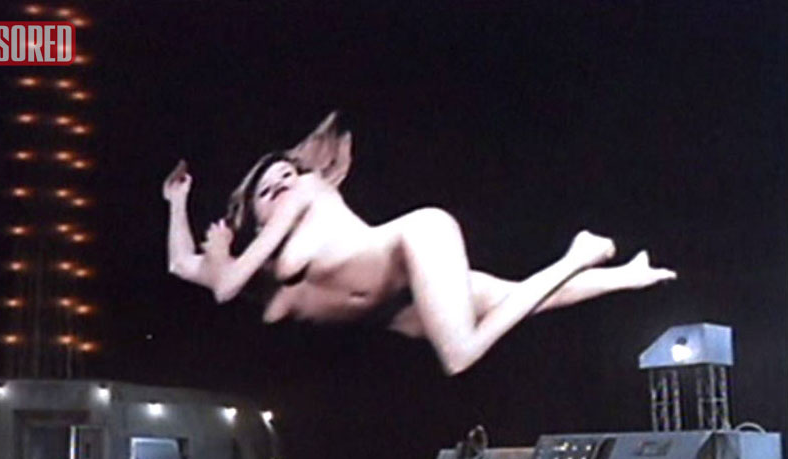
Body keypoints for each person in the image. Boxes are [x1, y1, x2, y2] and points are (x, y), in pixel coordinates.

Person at [162, 113, 676, 375]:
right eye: (267, 190)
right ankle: (627, 274)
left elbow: (224, 286)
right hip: (399, 305)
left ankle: (579, 255)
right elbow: (181, 264)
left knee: (460, 354)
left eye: (286, 176)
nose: (282, 187)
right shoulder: (264, 269)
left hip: (417, 238)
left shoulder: (308, 191)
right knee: (523, 298)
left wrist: (223, 252)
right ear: (253, 213)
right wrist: (177, 201)